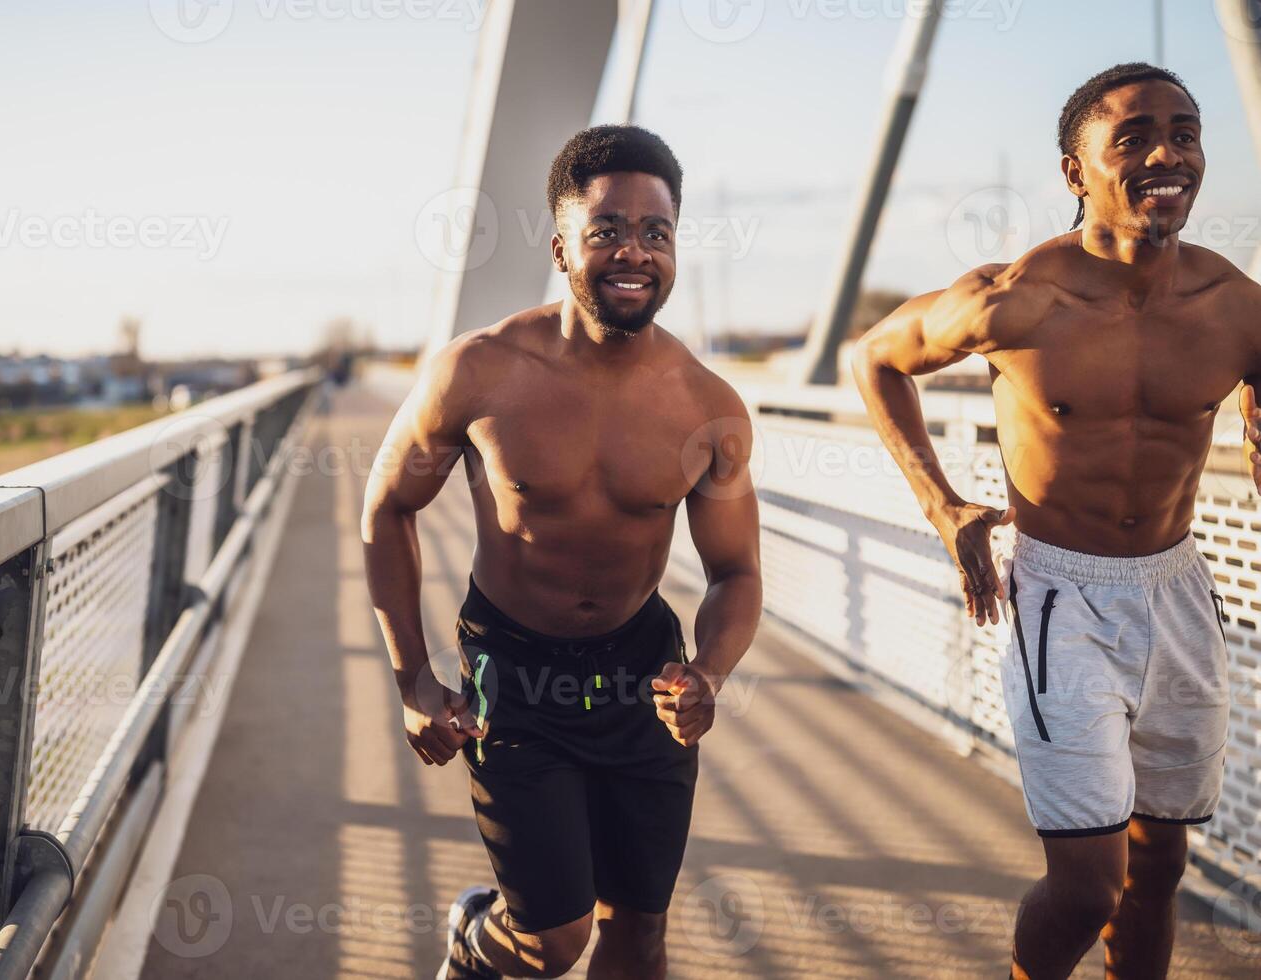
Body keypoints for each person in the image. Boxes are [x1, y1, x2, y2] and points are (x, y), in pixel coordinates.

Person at [854, 63, 1257, 979]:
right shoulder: (1016, 299)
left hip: (1181, 588)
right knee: (1086, 886)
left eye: (1186, 133)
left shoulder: (1238, 308)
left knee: (1159, 866)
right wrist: (942, 502)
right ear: (1076, 173)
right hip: (1064, 601)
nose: (1168, 154)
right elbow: (874, 358)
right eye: (1133, 138)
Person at [361, 124, 763, 980]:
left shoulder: (708, 404)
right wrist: (412, 681)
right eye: (607, 229)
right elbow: (387, 510)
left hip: (641, 675)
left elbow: (737, 573)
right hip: (513, 667)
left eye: (656, 233)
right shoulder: (477, 373)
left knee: (638, 932)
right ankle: (477, 941)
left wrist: (710, 672)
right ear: (560, 246)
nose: (634, 252)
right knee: (552, 942)